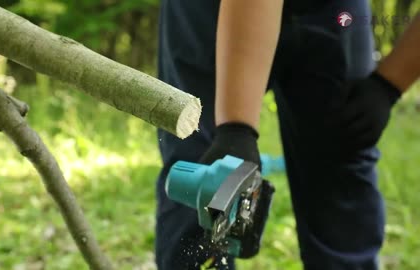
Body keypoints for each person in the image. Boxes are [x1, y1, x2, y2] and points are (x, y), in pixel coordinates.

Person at [154, 0, 420, 268]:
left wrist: (388, 84)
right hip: (210, 10)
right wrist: (236, 129)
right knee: (205, 168)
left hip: (335, 11)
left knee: (342, 157)